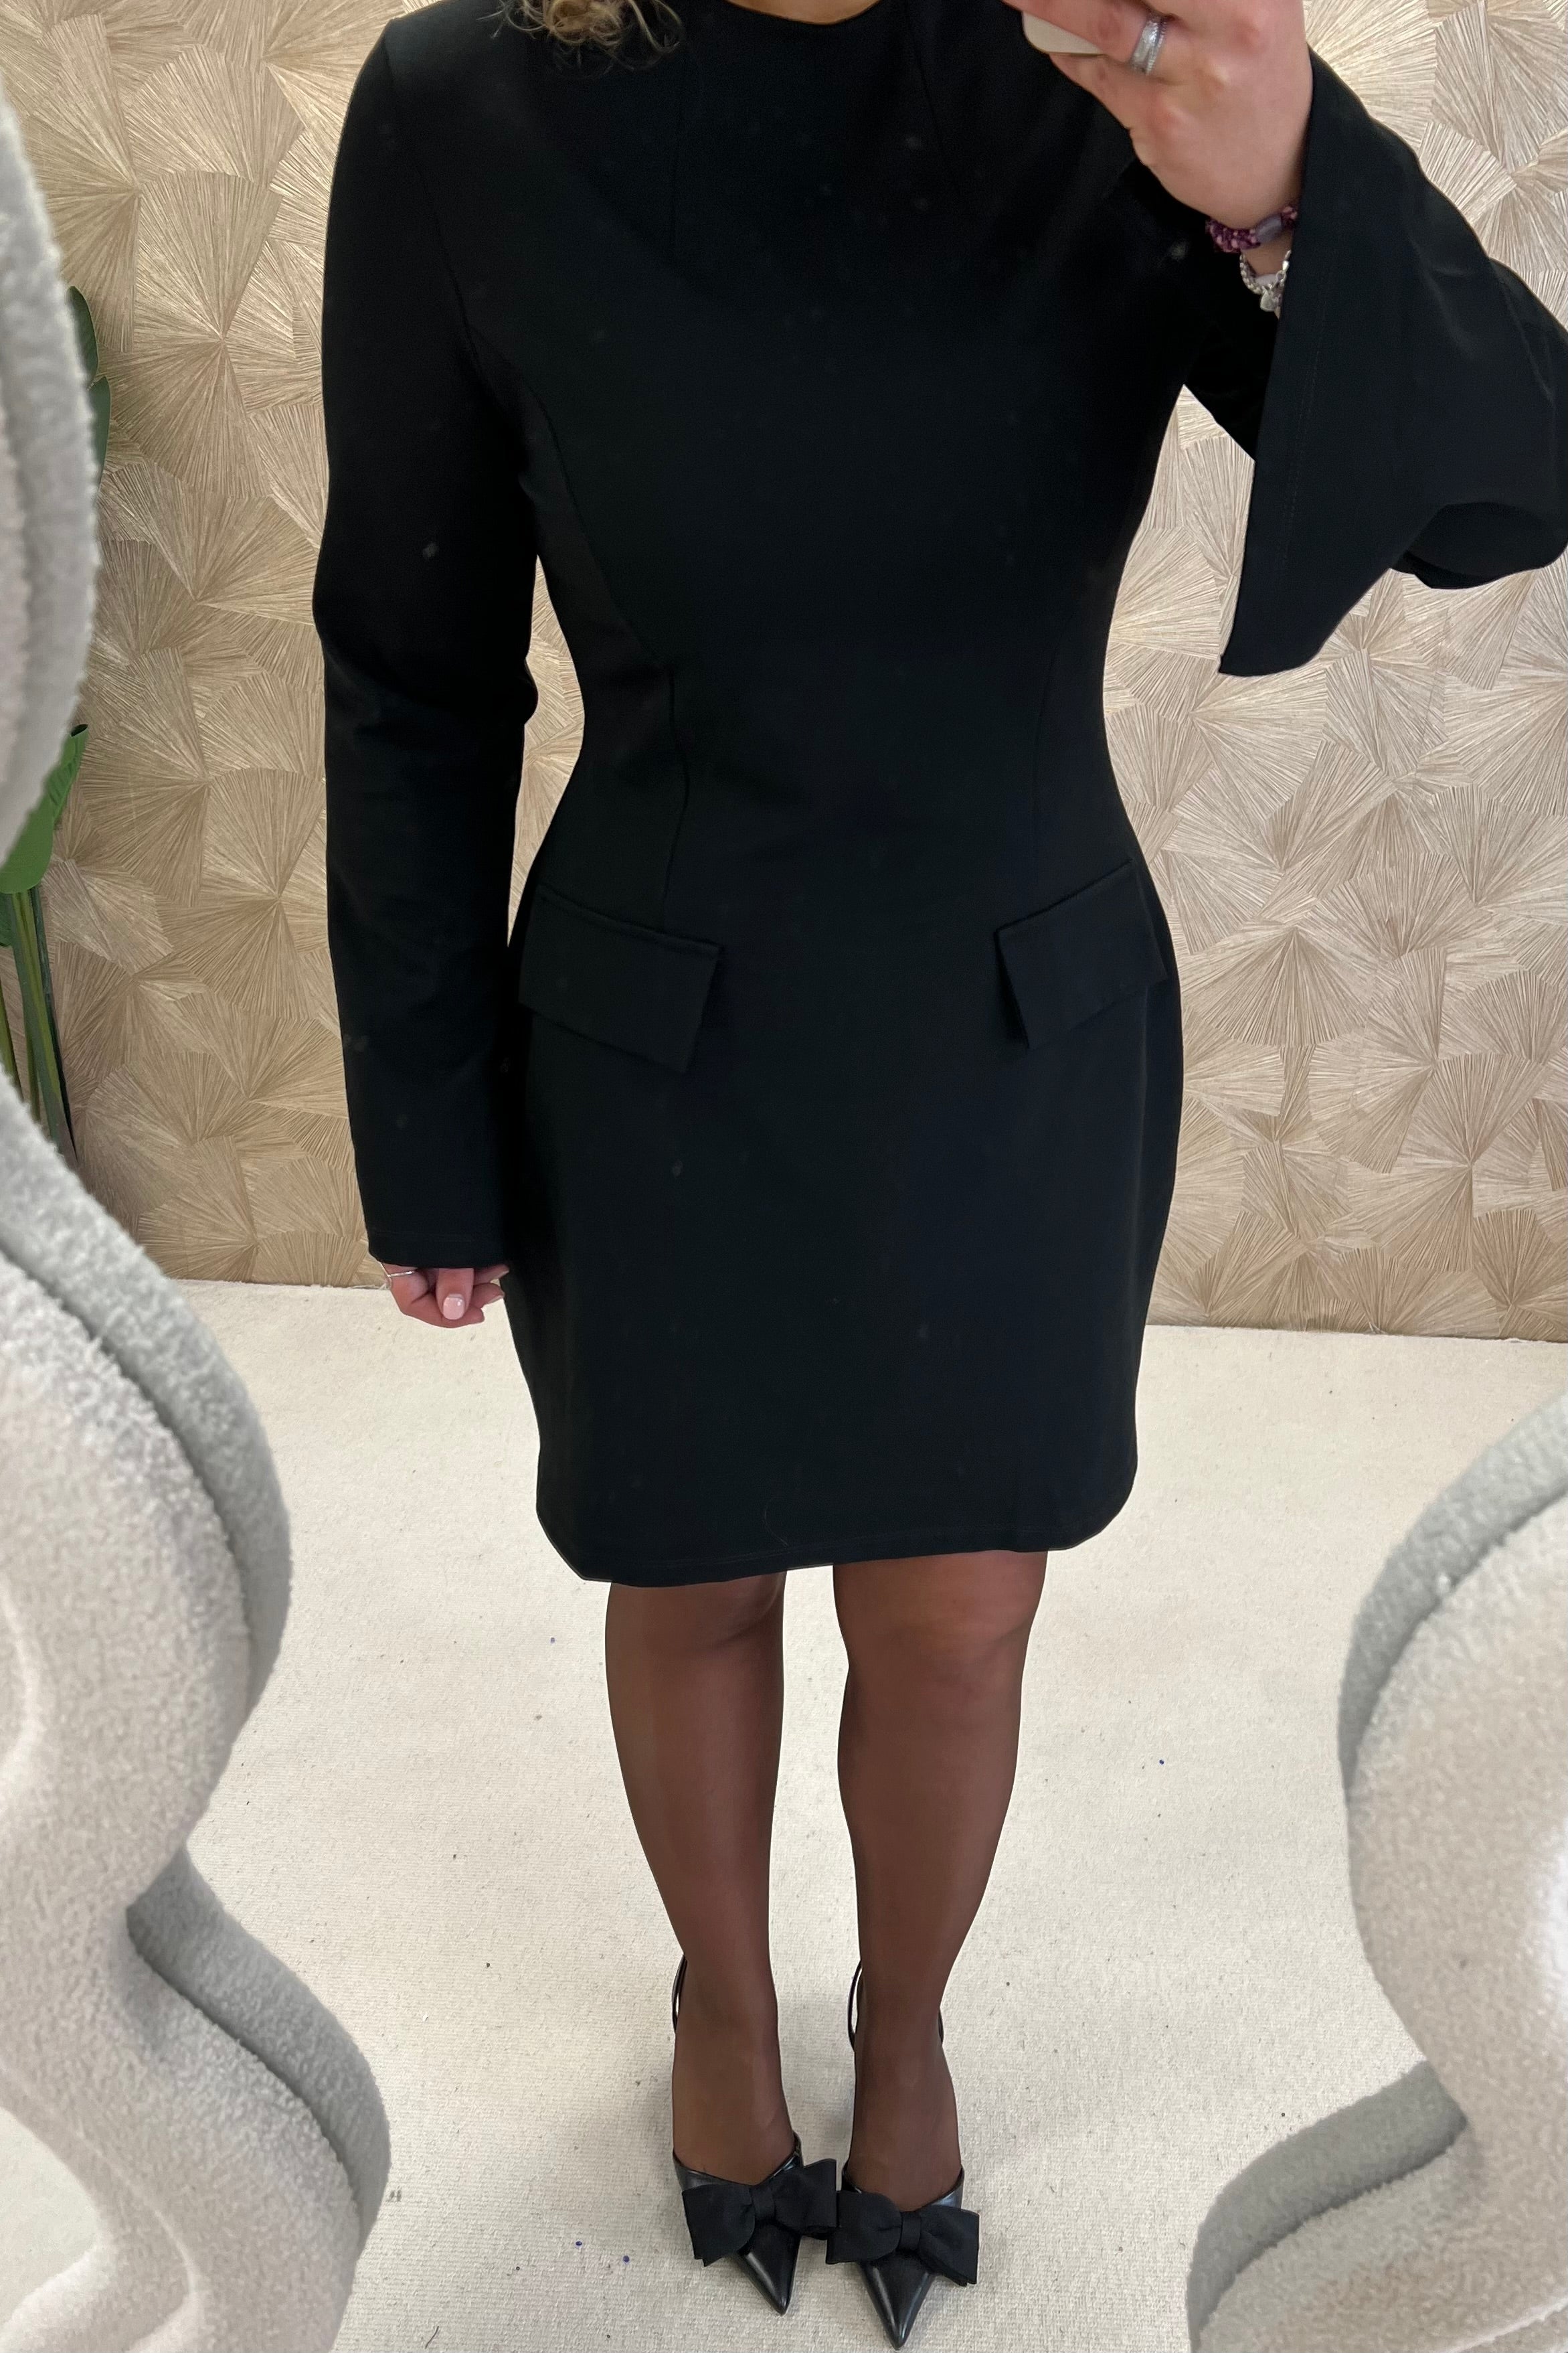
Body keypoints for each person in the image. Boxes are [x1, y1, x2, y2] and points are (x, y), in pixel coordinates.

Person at [311, 0, 1567, 2332]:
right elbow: (410, 663)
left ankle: (910, 2023)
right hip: (655, 1035)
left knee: (961, 1609)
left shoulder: (1110, 73)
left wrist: (1290, 183)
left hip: (1013, 1013)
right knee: (689, 1577)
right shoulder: (465, 106)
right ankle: (720, 2003)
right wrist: (427, 1123)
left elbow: (1512, 486)